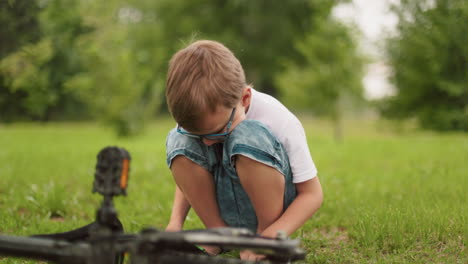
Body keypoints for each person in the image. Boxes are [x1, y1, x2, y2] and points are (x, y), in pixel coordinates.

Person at [164, 40, 323, 261]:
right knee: (179, 140)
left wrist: (269, 237)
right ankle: (218, 236)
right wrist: (175, 222)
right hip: (221, 214)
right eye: (199, 136)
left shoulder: (278, 119)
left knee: (248, 136)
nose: (207, 144)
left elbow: (312, 194)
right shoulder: (198, 121)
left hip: (270, 218)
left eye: (217, 132)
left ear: (245, 98)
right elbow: (189, 169)